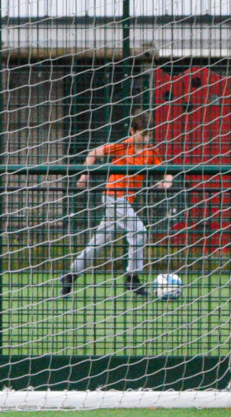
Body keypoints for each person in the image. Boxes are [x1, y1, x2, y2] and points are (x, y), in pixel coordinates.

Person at [64, 111, 175, 296]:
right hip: (113, 197)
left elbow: (167, 170)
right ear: (132, 131)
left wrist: (167, 181)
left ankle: (70, 275)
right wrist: (85, 174)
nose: (146, 138)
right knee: (139, 231)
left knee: (98, 242)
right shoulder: (122, 147)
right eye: (143, 133)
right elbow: (93, 153)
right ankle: (132, 278)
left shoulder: (151, 151)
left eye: (149, 134)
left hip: (125, 201)